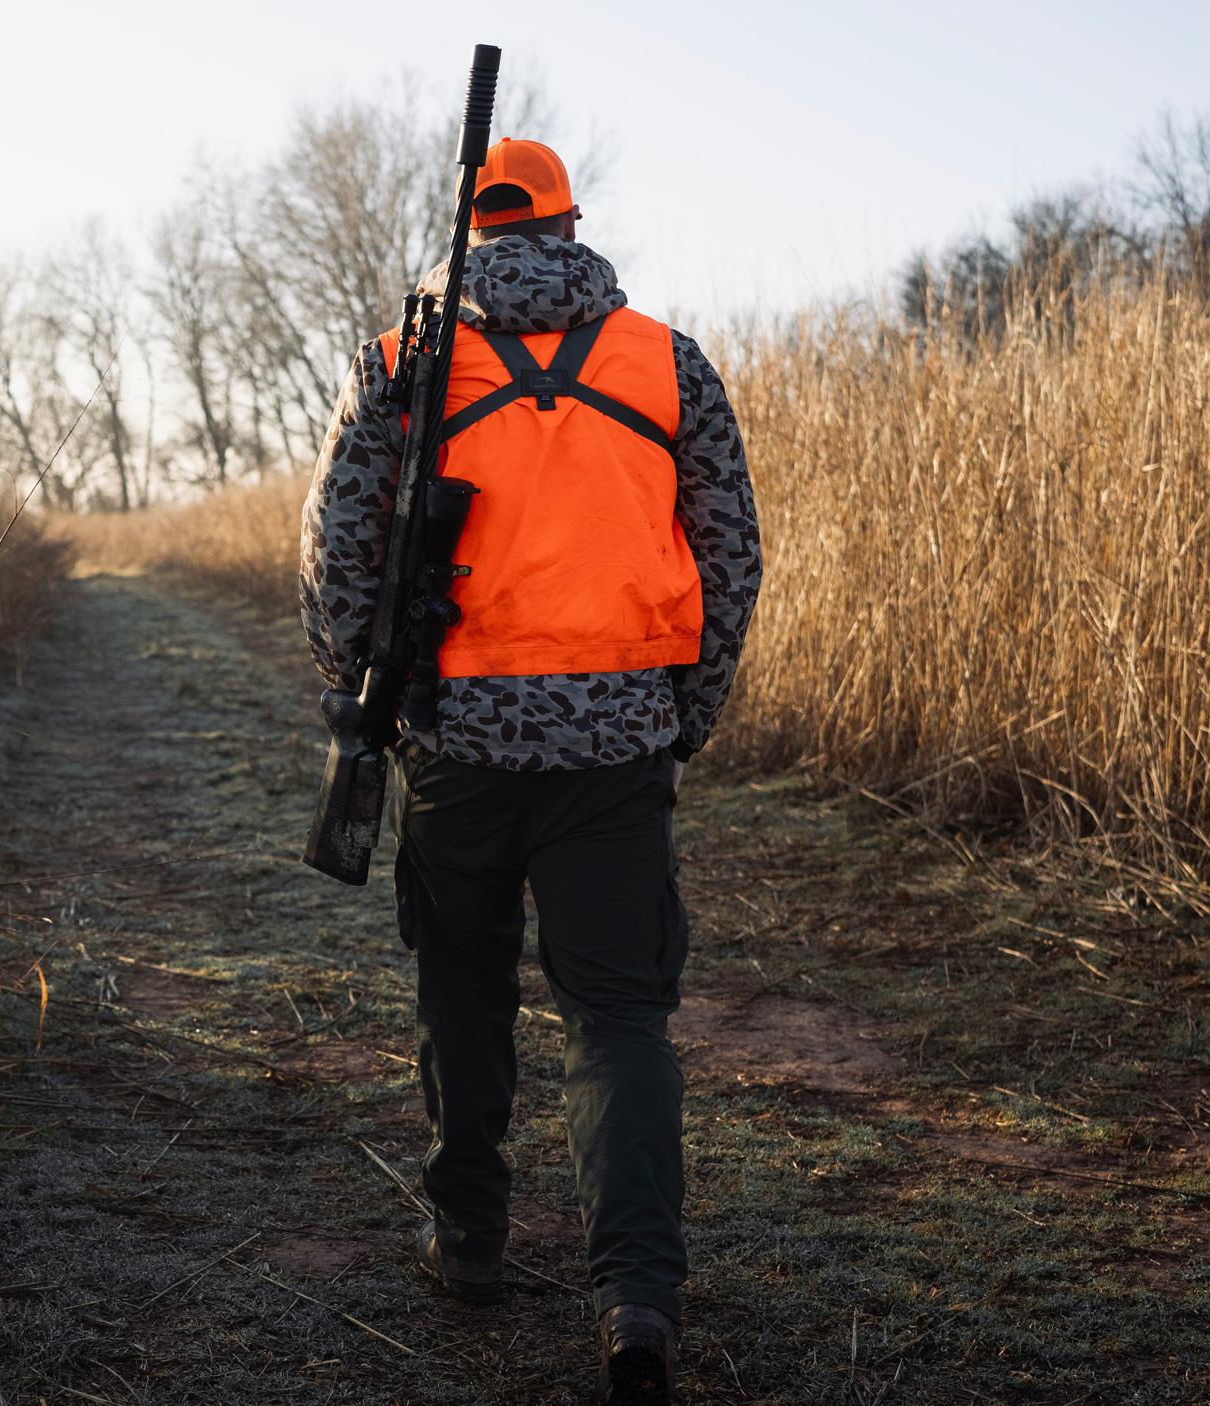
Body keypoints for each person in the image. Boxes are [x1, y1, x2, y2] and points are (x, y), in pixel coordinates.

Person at [298, 136, 760, 1405]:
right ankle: (639, 1300)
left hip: (458, 741)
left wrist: (366, 700)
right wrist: (684, 717)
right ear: (568, 227)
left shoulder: (404, 362)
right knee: (618, 1016)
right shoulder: (666, 359)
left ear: (474, 228)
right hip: (615, 746)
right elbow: (729, 558)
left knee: (460, 985)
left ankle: (469, 1243)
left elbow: (338, 546)